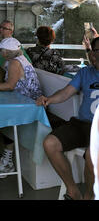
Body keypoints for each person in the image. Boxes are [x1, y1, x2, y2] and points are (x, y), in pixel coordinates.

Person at [36, 36, 99, 200]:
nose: (93, 56)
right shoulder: (85, 72)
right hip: (82, 125)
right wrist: (49, 99)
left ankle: (89, 196)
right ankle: (73, 191)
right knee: (50, 143)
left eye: (96, 52)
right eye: (92, 52)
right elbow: (66, 92)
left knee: (92, 155)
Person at [0, 37, 42, 176]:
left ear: (7, 52)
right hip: (24, 101)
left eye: (1, 50)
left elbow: (9, 86)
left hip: (28, 106)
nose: (0, 52)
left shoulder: (14, 63)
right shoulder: (21, 59)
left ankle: (7, 160)